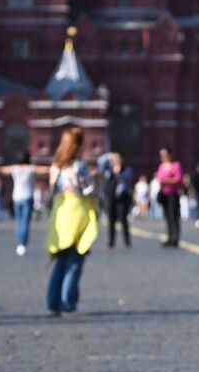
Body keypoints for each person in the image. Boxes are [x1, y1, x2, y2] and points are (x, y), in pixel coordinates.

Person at [44, 127, 98, 315]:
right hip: (77, 214)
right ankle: (68, 301)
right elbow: (89, 191)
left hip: (60, 214)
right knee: (75, 260)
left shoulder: (55, 167)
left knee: (60, 260)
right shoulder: (79, 166)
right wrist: (95, 180)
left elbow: (51, 193)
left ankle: (53, 302)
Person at [104, 152, 134, 248]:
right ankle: (111, 241)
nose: (116, 160)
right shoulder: (109, 169)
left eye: (118, 158)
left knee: (123, 219)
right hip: (111, 196)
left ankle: (127, 240)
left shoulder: (127, 169)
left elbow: (127, 178)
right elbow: (101, 166)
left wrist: (117, 173)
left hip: (122, 197)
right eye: (115, 159)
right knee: (111, 219)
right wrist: (107, 156)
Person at [156, 148, 183, 246]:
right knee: (167, 216)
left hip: (173, 194)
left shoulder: (176, 165)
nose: (162, 157)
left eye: (164, 155)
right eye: (161, 155)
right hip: (164, 194)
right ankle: (170, 237)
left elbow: (178, 179)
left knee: (174, 216)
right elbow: (159, 178)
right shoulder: (162, 166)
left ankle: (175, 238)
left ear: (170, 155)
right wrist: (167, 180)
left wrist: (166, 180)